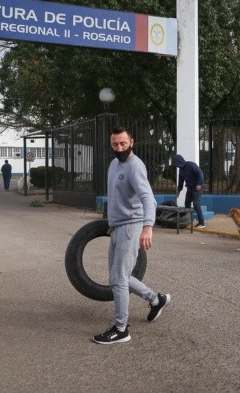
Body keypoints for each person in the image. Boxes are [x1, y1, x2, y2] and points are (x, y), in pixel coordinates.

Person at [94, 126, 170, 345]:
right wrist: (111, 223)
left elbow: (148, 198)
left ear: (132, 142)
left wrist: (147, 227)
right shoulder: (114, 164)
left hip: (133, 225)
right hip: (118, 226)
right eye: (115, 144)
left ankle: (121, 329)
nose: (119, 148)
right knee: (120, 276)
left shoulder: (135, 167)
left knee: (118, 278)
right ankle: (156, 299)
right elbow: (114, 196)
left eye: (123, 144)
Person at [170, 154, 206, 229]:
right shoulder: (181, 170)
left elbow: (200, 173)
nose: (177, 166)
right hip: (190, 188)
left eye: (176, 163)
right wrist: (179, 190)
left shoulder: (191, 165)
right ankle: (189, 219)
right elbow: (181, 181)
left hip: (197, 188)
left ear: (179, 161)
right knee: (187, 204)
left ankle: (202, 223)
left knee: (196, 204)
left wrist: (199, 183)